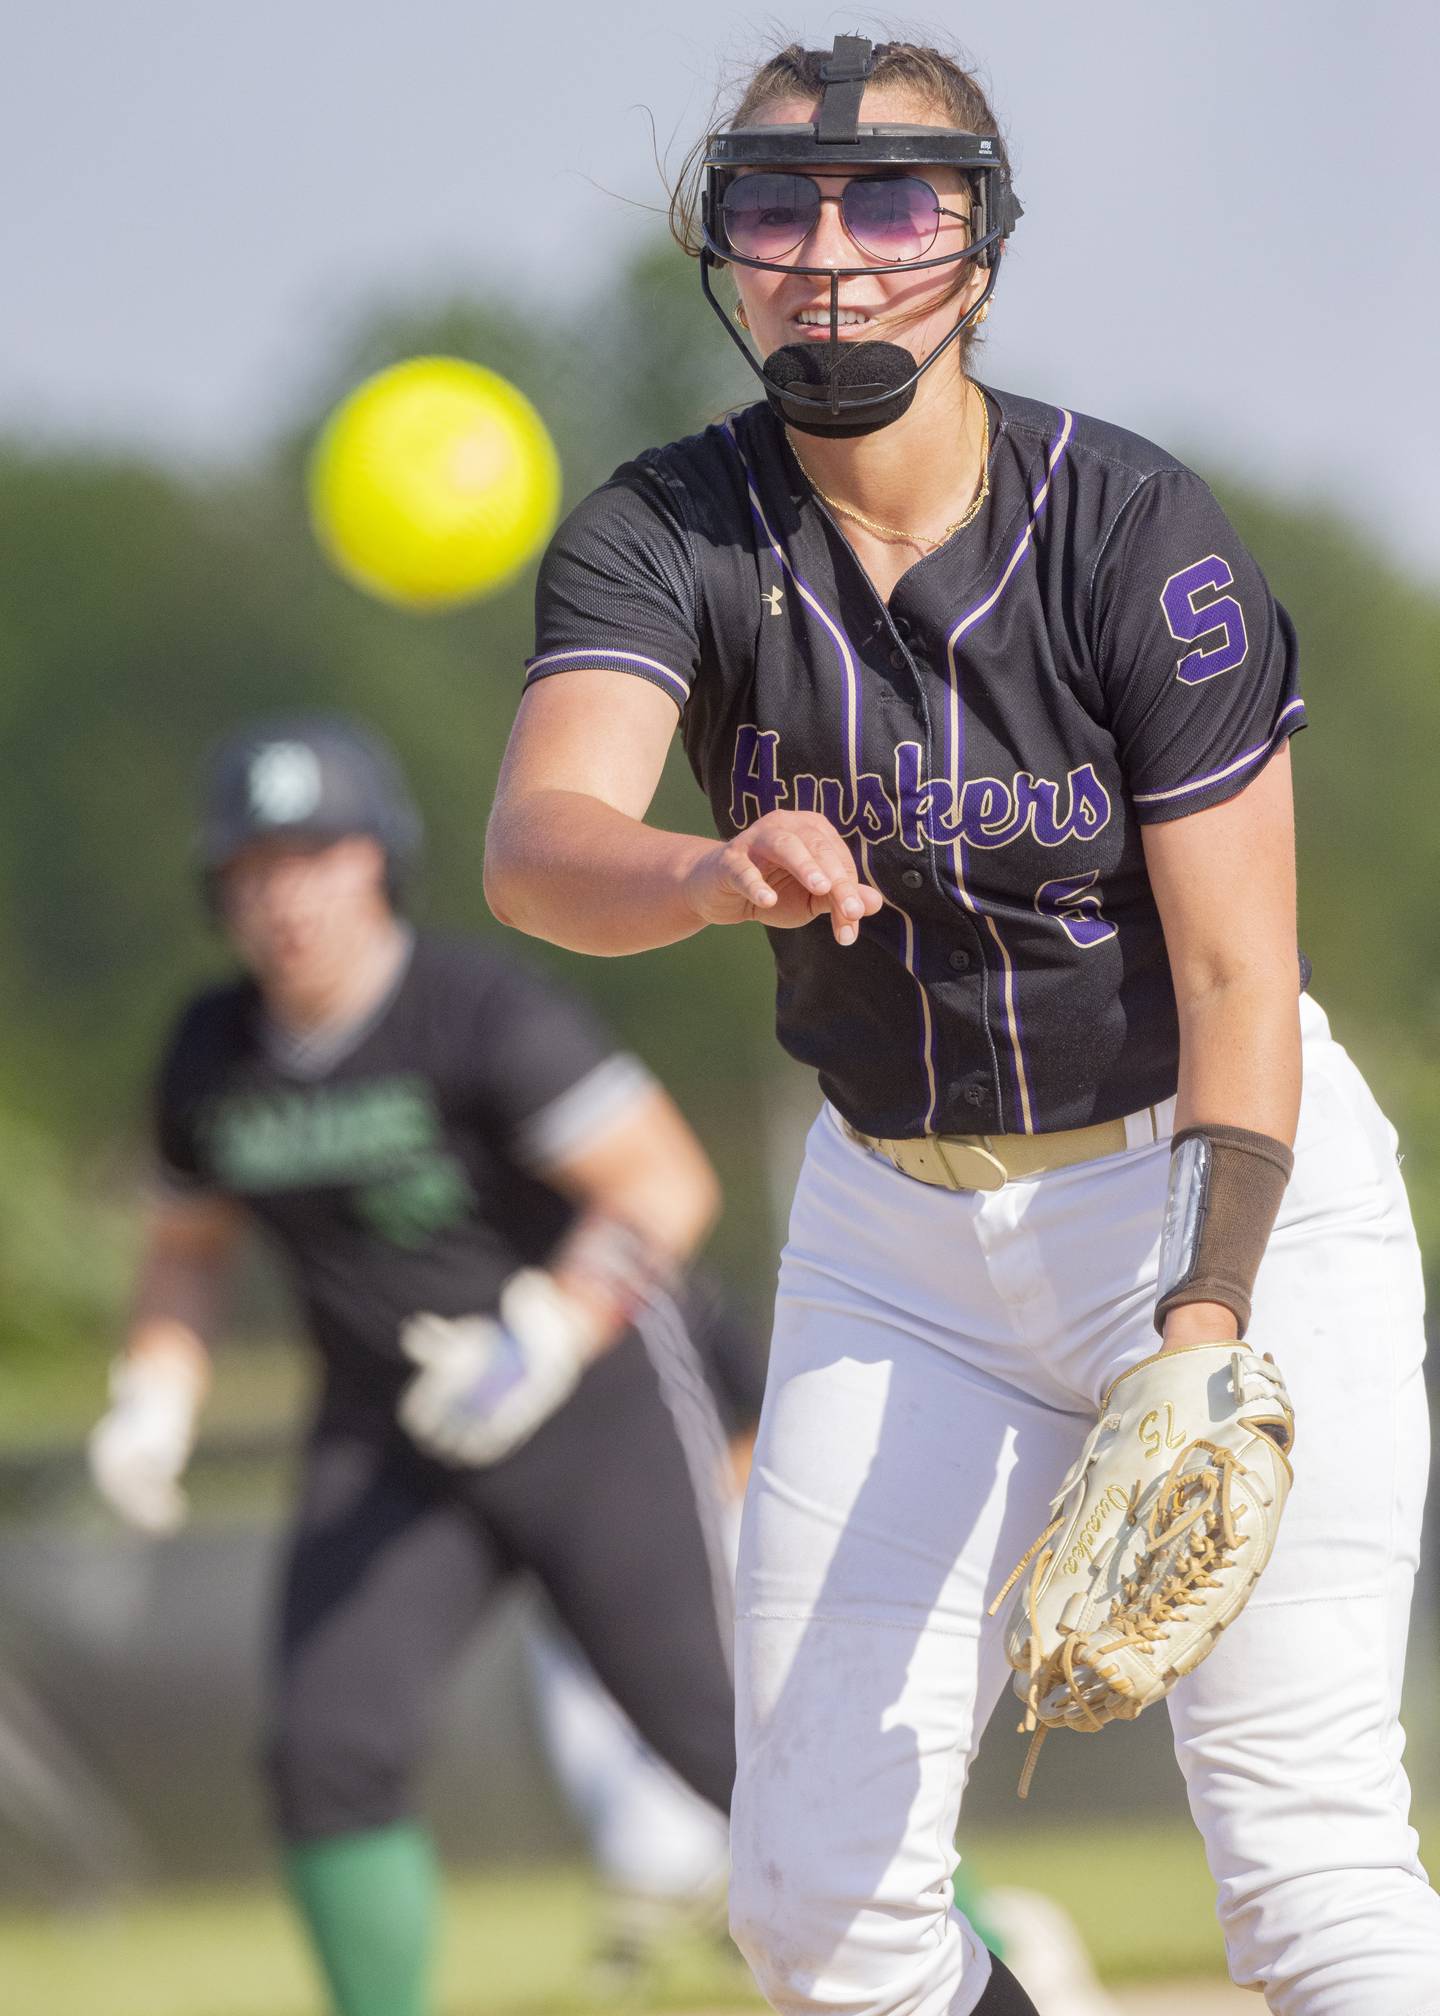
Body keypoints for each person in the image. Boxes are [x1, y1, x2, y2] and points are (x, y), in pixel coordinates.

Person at [483, 33, 1440, 2016]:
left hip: (1208, 1186)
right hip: (896, 1238)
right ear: (724, 254)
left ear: (980, 255)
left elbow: (1246, 977)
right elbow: (537, 842)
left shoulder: (1131, 531)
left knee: (1308, 1866)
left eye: (891, 205)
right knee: (819, 1916)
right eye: (775, 204)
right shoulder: (672, 529)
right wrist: (703, 871)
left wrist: (1202, 1329)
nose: (830, 256)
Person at [87, 714, 736, 2016]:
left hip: (584, 1406)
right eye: (256, 867)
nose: (286, 895)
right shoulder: (211, 1054)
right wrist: (154, 1394)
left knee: (725, 1742)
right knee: (328, 1749)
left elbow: (666, 1185)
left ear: (377, 861)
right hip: (389, 1431)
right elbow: (188, 1248)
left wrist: (542, 1336)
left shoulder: (477, 1008)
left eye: (316, 855)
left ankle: (979, 1954)